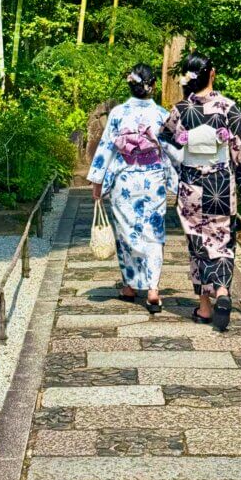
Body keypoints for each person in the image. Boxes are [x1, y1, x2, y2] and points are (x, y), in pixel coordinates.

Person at [160, 53, 241, 331]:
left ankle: (205, 307)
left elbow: (166, 142)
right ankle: (222, 290)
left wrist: (184, 157)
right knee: (221, 240)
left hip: (191, 187)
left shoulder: (180, 110)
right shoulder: (227, 108)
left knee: (198, 243)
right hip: (220, 184)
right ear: (212, 73)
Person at [87, 63, 179, 314]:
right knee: (153, 233)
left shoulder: (118, 113)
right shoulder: (161, 115)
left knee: (126, 233)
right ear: (153, 86)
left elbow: (106, 148)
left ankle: (129, 287)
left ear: (131, 84)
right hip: (153, 181)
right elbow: (173, 151)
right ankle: (153, 290)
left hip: (124, 180)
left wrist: (97, 183)